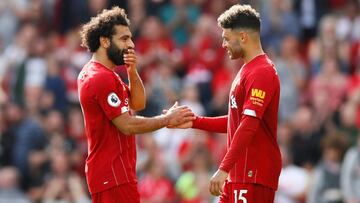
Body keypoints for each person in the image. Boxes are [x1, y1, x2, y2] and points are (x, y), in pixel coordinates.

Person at [78, 7, 195, 203]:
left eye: (130, 38)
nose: (131, 44)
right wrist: (167, 119)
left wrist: (132, 71)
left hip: (115, 173)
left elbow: (138, 103)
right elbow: (127, 124)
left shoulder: (106, 73)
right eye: (124, 39)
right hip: (113, 174)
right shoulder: (100, 78)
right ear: (104, 41)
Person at [172, 4, 281, 203]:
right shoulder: (246, 70)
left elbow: (248, 125)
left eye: (226, 38)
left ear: (243, 37)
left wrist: (223, 168)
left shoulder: (262, 72)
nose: (223, 44)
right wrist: (193, 121)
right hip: (238, 174)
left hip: (253, 173)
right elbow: (236, 122)